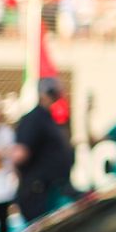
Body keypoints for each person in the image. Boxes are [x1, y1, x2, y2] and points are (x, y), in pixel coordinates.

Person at [12, 77, 74, 223]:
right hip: (38, 192)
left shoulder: (48, 117)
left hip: (52, 189)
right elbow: (19, 154)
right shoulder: (33, 119)